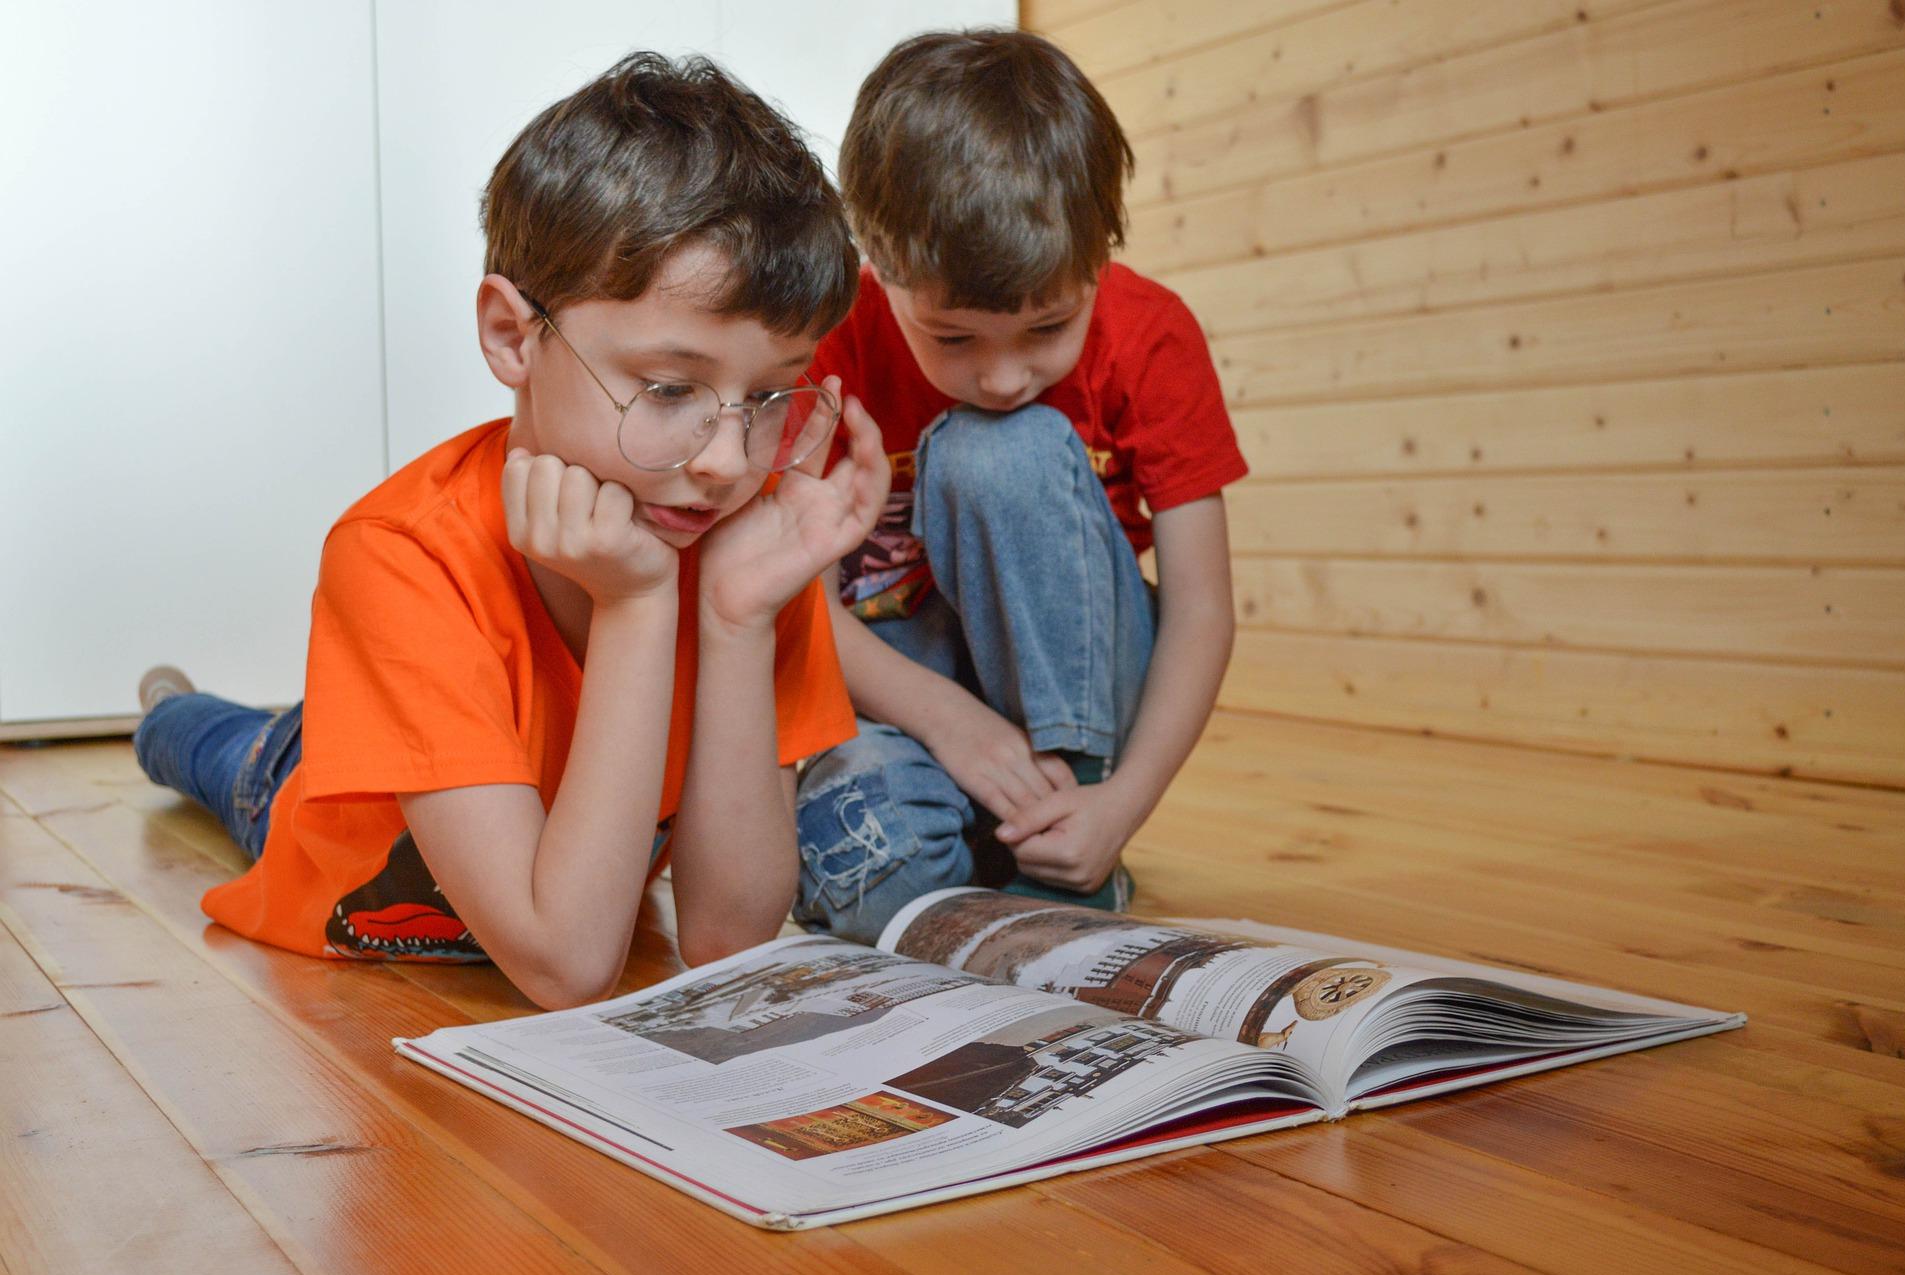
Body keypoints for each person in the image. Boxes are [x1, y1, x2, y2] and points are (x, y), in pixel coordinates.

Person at [133, 52, 887, 1009]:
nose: (729, 462)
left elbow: (727, 937)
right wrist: (637, 605)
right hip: (306, 788)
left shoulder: (744, 546)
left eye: (772, 395)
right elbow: (567, 965)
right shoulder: (398, 553)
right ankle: (167, 702)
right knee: (217, 747)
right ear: (510, 334)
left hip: (460, 749)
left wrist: (734, 621)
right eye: (669, 389)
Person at [790, 30, 1246, 944]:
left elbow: (1202, 608)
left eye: (1048, 327)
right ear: (875, 262)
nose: (1002, 377)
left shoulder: (1152, 334)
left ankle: (1065, 830)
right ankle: (994, 856)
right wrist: (947, 721)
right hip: (902, 692)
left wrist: (1119, 804)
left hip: (1081, 701)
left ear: (1099, 256)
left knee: (998, 450)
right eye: (953, 337)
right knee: (873, 878)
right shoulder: (825, 343)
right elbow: (792, 604)